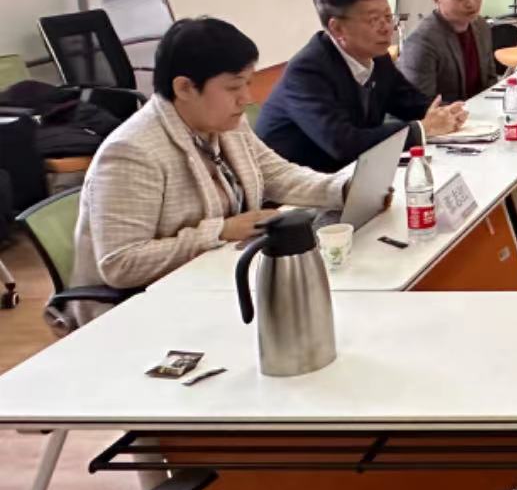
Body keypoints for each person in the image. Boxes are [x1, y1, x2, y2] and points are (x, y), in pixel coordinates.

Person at [65, 18, 350, 327]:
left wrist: (341, 189)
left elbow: (276, 174)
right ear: (185, 88)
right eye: (233, 87)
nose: (247, 98)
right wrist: (220, 231)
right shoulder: (132, 152)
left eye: (247, 84)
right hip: (142, 309)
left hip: (211, 279)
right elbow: (121, 264)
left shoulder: (225, 123)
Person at [256, 0, 466, 174]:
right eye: (374, 20)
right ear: (337, 28)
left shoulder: (377, 56)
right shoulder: (307, 71)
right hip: (299, 185)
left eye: (388, 16)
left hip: (352, 173)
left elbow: (410, 102)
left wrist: (450, 113)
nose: (386, 28)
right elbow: (342, 143)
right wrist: (421, 129)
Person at [399, 0, 498, 104]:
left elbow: (489, 80)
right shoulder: (421, 42)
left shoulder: (481, 26)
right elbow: (421, 105)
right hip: (451, 116)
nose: (471, 3)